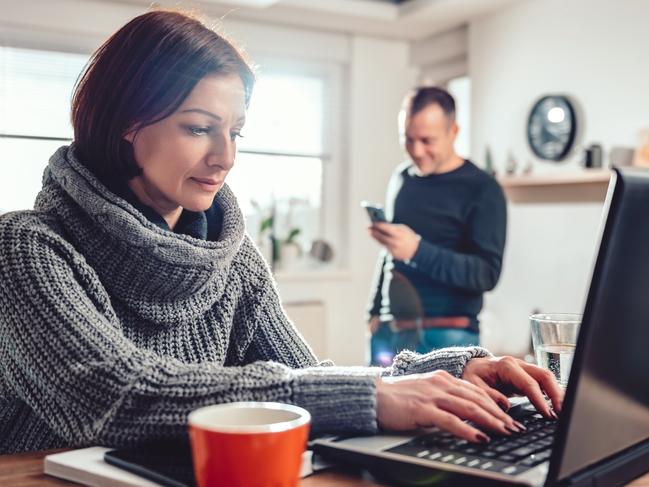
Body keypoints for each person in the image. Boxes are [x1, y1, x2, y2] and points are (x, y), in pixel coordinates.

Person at [0, 10, 559, 456]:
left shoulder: (230, 257)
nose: (224, 158)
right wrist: (373, 395)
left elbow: (303, 376)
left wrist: (447, 370)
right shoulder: (26, 249)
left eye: (236, 132)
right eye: (199, 128)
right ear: (126, 121)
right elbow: (117, 397)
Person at [367, 86, 507, 366]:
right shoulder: (401, 178)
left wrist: (417, 251)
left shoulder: (482, 189)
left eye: (427, 140)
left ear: (453, 132)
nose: (416, 151)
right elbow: (391, 252)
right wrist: (372, 311)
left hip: (447, 336)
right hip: (388, 331)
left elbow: (486, 274)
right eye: (408, 139)